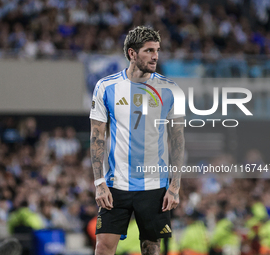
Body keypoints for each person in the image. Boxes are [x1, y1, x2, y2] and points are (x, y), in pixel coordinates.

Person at [89, 26, 185, 255]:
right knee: (103, 247)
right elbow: (97, 136)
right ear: (132, 54)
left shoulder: (171, 90)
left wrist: (175, 185)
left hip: (154, 185)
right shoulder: (106, 87)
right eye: (149, 50)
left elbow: (178, 139)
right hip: (115, 184)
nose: (155, 56)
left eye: (157, 50)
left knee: (151, 248)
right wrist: (99, 182)